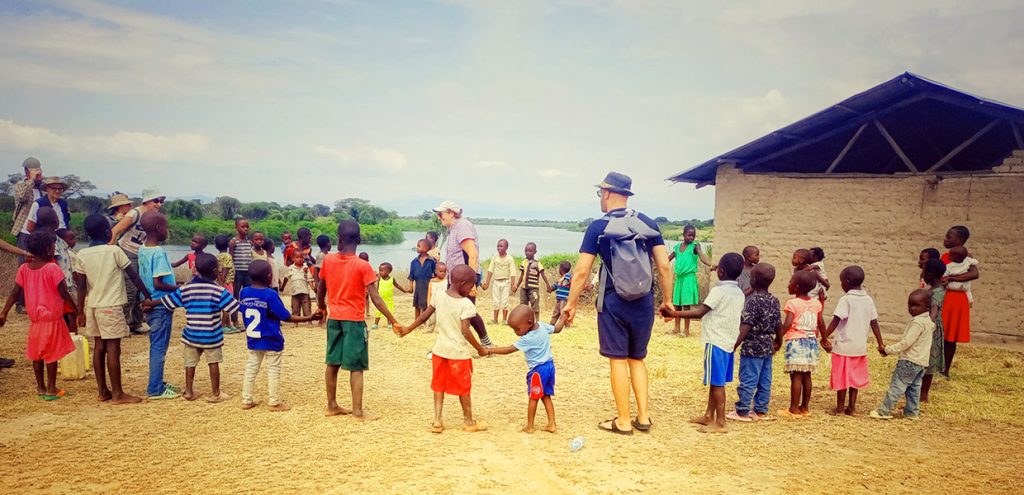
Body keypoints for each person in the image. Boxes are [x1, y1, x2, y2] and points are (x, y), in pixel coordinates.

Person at [561, 172, 674, 435]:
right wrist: (667, 301)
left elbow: (581, 272)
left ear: (608, 193)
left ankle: (623, 421)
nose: (600, 197)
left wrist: (572, 303)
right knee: (637, 359)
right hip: (644, 301)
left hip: (613, 302)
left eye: (600, 192)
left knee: (618, 360)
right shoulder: (647, 223)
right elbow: (665, 267)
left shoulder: (598, 227)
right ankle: (643, 417)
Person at [316, 220, 402, 420]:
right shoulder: (363, 266)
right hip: (354, 321)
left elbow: (321, 287)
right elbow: (376, 298)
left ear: (338, 239)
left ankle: (332, 405)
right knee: (356, 366)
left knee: (332, 362)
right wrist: (393, 319)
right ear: (359, 240)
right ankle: (357, 411)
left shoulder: (328, 260)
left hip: (334, 318)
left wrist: (321, 305)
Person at [397, 264, 489, 433]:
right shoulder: (466, 305)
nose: (472, 288)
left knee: (438, 386)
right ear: (463, 284)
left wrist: (408, 329)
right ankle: (468, 421)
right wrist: (480, 349)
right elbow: (465, 331)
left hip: (439, 351)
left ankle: (437, 420)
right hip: (459, 354)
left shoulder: (439, 296)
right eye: (471, 285)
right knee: (464, 388)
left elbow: (425, 315)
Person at [72, 214, 152, 404]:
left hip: (93, 307)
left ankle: (103, 391)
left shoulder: (81, 254)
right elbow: (133, 275)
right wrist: (147, 295)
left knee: (99, 348)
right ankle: (118, 394)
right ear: (109, 232)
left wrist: (80, 311)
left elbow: (81, 287)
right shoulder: (114, 251)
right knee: (113, 349)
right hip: (111, 306)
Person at [662, 253, 745, 433]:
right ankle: (709, 415)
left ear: (720, 272)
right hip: (728, 342)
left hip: (715, 341)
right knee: (717, 381)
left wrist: (673, 314)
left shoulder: (718, 291)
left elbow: (700, 312)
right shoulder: (738, 292)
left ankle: (720, 422)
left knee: (717, 384)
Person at [0, 231, 79, 400]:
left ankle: (41, 388)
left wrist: (4, 312)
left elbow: (15, 292)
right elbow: (64, 294)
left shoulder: (24, 269)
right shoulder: (52, 268)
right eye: (52, 246)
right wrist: (76, 311)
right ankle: (52, 388)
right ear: (48, 250)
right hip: (52, 318)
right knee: (51, 354)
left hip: (35, 320)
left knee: (37, 355)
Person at [151, 253, 239, 403]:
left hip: (191, 335)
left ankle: (189, 392)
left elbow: (169, 300)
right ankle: (215, 393)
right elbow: (233, 306)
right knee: (213, 363)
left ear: (195, 270)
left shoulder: (187, 288)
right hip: (211, 336)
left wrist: (151, 303)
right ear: (215, 271)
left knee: (190, 363)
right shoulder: (218, 291)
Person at [241, 260, 322, 412]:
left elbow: (243, 310)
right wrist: (309, 318)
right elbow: (286, 316)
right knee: (273, 369)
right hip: (271, 338)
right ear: (269, 275)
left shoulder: (244, 292)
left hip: (253, 338)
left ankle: (246, 399)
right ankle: (274, 402)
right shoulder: (270, 294)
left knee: (251, 368)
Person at [818, 266, 885, 416]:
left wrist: (824, 336)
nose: (841, 285)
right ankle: (852, 408)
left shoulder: (846, 299)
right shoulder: (868, 300)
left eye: (841, 282)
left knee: (841, 377)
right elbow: (874, 322)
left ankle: (840, 408)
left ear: (847, 282)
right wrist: (880, 343)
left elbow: (836, 320)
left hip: (843, 346)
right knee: (855, 378)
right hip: (859, 347)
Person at [489, 304, 566, 433]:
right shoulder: (542, 326)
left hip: (538, 371)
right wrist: (563, 317)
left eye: (517, 329)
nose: (516, 333)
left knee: (533, 397)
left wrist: (489, 350)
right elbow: (557, 329)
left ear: (529, 323)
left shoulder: (527, 338)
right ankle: (551, 423)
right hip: (549, 366)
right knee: (546, 395)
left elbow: (509, 349)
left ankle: (530, 426)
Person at [433, 201, 493, 347]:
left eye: (441, 214)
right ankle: (453, 342)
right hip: (457, 279)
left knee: (467, 311)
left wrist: (471, 283)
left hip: (464, 280)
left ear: (452, 213)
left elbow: (473, 255)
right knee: (459, 310)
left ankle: (484, 343)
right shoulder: (453, 228)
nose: (439, 218)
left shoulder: (462, 226)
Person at [727, 263, 781, 422]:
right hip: (767, 346)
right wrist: (779, 340)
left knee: (748, 378)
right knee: (765, 379)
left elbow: (746, 326)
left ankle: (742, 411)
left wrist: (735, 345)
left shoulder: (753, 301)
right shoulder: (774, 300)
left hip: (752, 346)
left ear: (754, 280)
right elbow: (778, 323)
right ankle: (761, 410)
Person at [870, 289, 935, 420]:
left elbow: (906, 343)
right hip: (921, 363)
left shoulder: (917, 322)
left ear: (927, 307)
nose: (912, 308)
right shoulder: (929, 322)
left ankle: (884, 410)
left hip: (909, 361)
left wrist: (887, 350)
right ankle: (912, 412)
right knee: (914, 388)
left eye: (916, 305)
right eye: (910, 305)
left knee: (897, 386)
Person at [137, 211, 180, 400]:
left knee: (156, 344)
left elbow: (143, 278)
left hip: (149, 302)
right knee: (159, 347)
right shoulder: (159, 252)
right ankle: (155, 389)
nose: (167, 231)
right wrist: (179, 287)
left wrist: (144, 298)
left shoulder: (142, 249)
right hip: (160, 305)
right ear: (158, 228)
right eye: (165, 227)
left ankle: (158, 382)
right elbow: (158, 283)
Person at [111, 188, 165, 335]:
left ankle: (136, 321)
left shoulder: (154, 215)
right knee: (130, 289)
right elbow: (115, 231)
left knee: (141, 289)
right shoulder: (135, 213)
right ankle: (121, 323)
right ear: (146, 200)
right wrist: (109, 249)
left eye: (161, 201)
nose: (159, 204)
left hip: (141, 254)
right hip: (127, 252)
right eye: (156, 201)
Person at [778, 270, 825, 419]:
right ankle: (804, 407)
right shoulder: (816, 303)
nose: (788, 285)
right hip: (811, 342)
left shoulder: (792, 303)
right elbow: (821, 322)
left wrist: (777, 338)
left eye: (790, 282)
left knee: (796, 376)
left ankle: (793, 409)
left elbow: (787, 324)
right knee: (807, 376)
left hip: (796, 341)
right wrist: (824, 338)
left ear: (796, 287)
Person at [667, 225, 716, 337]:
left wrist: (710, 264)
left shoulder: (695, 246)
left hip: (689, 279)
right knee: (677, 304)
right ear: (683, 235)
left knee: (686, 305)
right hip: (679, 279)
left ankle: (686, 330)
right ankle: (676, 328)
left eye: (693, 235)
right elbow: (667, 259)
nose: (691, 237)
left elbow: (702, 256)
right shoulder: (677, 247)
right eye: (689, 235)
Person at [941, 243, 978, 377]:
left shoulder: (967, 259)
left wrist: (951, 278)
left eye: (950, 237)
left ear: (960, 239)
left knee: (951, 336)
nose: (946, 239)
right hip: (946, 297)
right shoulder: (946, 257)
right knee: (939, 333)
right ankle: (936, 365)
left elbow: (974, 274)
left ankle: (945, 370)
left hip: (956, 299)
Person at [920, 259, 947, 402]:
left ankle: (923, 395)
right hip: (931, 327)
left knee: (928, 361)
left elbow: (934, 310)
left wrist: (926, 325)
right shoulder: (936, 288)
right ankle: (920, 393)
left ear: (930, 274)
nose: (922, 274)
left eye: (923, 271)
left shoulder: (936, 292)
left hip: (931, 328)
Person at [512, 242, 552, 322]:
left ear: (535, 252)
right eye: (526, 250)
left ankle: (537, 321)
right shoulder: (524, 262)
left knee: (535, 305)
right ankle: (524, 321)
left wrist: (548, 285)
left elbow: (543, 274)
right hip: (524, 288)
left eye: (530, 251)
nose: (527, 252)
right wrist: (516, 285)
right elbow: (522, 275)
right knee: (523, 305)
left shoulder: (537, 263)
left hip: (533, 289)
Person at [481, 239, 515, 324]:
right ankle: (495, 320)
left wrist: (513, 284)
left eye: (501, 246)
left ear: (506, 248)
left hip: (506, 282)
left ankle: (504, 320)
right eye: (498, 246)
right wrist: (487, 283)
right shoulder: (495, 258)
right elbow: (490, 270)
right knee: (496, 301)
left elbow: (513, 272)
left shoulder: (509, 258)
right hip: (496, 282)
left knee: (504, 301)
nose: (498, 248)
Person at [373, 262, 409, 329]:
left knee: (389, 312)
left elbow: (398, 286)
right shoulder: (379, 279)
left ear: (388, 272)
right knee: (378, 311)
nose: (380, 272)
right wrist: (376, 294)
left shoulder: (392, 279)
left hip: (389, 300)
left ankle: (389, 324)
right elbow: (377, 287)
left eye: (381, 270)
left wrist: (404, 291)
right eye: (379, 270)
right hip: (381, 299)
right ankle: (376, 324)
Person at [281, 250, 313, 325]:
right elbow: (286, 278)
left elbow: (309, 279)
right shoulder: (291, 268)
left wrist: (312, 287)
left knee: (307, 308)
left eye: (301, 257)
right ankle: (295, 322)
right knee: (295, 308)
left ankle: (309, 321)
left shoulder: (306, 268)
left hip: (304, 291)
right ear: (293, 259)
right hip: (295, 292)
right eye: (297, 257)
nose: (299, 259)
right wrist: (282, 286)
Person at [214, 234, 238, 332]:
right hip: (227, 283)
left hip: (223, 283)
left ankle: (229, 324)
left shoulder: (217, 256)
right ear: (228, 245)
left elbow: (216, 270)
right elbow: (225, 268)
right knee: (228, 305)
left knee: (224, 304)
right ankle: (223, 326)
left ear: (216, 246)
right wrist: (222, 282)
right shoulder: (228, 256)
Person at [409, 239, 437, 321]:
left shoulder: (432, 261)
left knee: (424, 304)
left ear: (425, 248)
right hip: (418, 286)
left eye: (419, 246)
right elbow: (411, 275)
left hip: (428, 286)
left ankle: (422, 320)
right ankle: (416, 319)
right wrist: (411, 286)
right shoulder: (414, 262)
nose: (417, 248)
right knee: (416, 304)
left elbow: (435, 273)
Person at [229, 217, 254, 296]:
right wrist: (232, 273)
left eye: (247, 227)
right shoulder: (233, 242)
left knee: (248, 291)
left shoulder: (249, 242)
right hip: (238, 272)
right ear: (236, 228)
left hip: (248, 272)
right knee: (236, 290)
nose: (246, 229)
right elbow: (230, 259)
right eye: (243, 227)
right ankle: (235, 306)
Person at [426, 262, 448, 331]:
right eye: (441, 271)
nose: (443, 273)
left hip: (443, 304)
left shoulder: (446, 282)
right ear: (436, 271)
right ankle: (429, 329)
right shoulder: (432, 282)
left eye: (444, 271)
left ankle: (441, 329)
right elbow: (429, 294)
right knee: (432, 318)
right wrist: (428, 304)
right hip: (433, 304)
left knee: (443, 318)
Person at [550, 261, 572, 326]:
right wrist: (551, 288)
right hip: (558, 298)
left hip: (564, 298)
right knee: (556, 311)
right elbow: (557, 285)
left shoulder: (568, 277)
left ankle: (567, 323)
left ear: (561, 269)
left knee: (563, 311)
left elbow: (572, 283)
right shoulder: (560, 278)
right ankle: (552, 323)